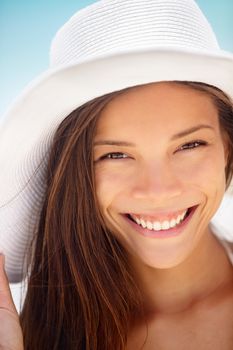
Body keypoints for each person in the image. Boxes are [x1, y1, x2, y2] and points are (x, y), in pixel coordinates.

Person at [0, 0, 232, 349]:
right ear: (77, 175)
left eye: (189, 145)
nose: (158, 190)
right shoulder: (37, 335)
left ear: (228, 148)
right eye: (116, 154)